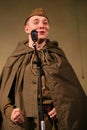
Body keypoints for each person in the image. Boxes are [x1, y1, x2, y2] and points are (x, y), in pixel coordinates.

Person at [0, 7, 87, 130]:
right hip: (23, 123)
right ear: (27, 29)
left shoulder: (57, 56)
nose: (42, 25)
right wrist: (10, 112)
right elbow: (3, 94)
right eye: (36, 22)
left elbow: (74, 94)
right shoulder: (15, 58)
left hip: (51, 123)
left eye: (45, 23)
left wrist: (62, 109)